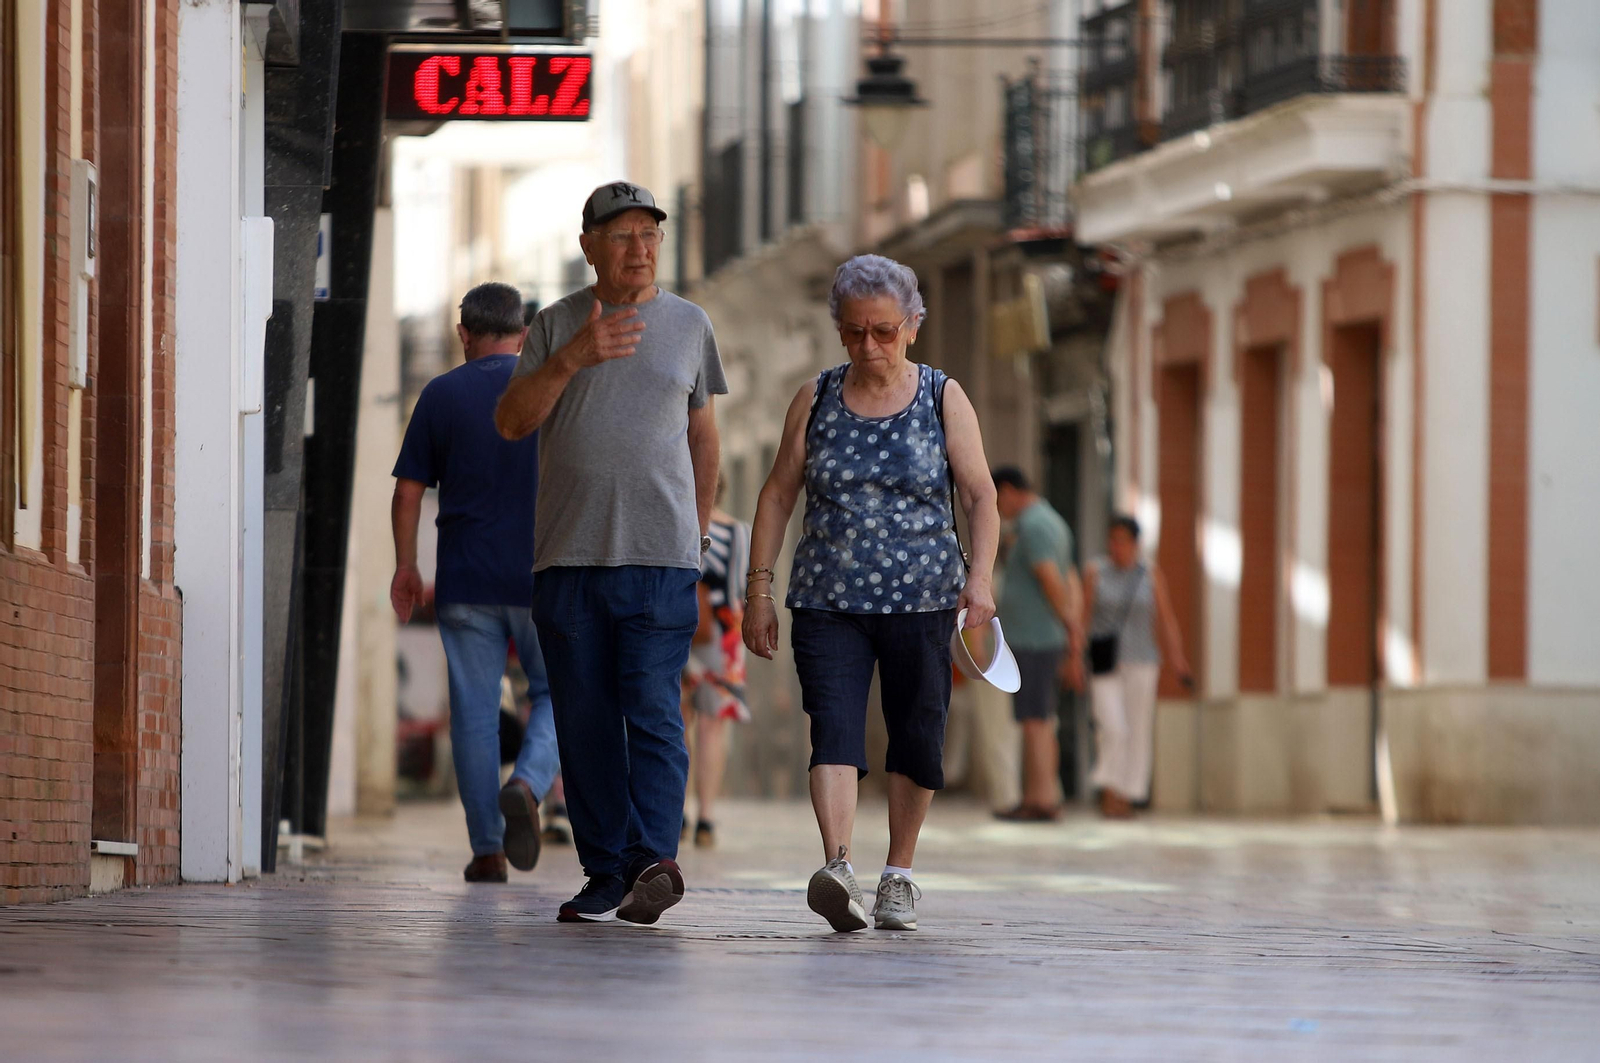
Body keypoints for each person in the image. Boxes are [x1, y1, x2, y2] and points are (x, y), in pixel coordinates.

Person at [744, 254, 1000, 933]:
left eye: (883, 331)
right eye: (854, 331)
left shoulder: (943, 397)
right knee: (832, 726)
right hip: (828, 600)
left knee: (916, 736)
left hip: (924, 599)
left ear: (912, 325)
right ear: (839, 329)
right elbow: (777, 494)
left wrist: (979, 579)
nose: (869, 346)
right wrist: (758, 590)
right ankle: (838, 866)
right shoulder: (816, 398)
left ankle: (899, 876)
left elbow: (979, 495)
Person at [494, 182, 726, 924]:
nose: (639, 248)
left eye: (649, 234)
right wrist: (572, 358)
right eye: (621, 235)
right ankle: (605, 870)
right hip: (567, 560)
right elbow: (511, 421)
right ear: (588, 245)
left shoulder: (690, 324)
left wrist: (697, 534)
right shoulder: (555, 325)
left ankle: (654, 861)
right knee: (585, 721)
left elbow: (704, 437)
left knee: (654, 708)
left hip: (661, 559)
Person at [390, 282, 560, 883]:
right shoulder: (551, 388)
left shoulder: (441, 394)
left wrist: (407, 565)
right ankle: (529, 784)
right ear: (525, 332)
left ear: (463, 334)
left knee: (474, 713)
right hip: (543, 574)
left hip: (465, 579)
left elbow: (408, 493)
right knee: (557, 694)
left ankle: (487, 850)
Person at [1081, 514, 1192, 818]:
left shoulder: (1150, 574)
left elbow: (1166, 619)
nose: (1116, 547)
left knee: (1137, 729)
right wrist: (1075, 655)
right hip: (1104, 661)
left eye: (1122, 541)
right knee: (1112, 726)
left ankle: (1127, 795)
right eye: (1112, 540)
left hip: (1143, 661)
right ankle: (1109, 789)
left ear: (1135, 544)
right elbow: (1084, 616)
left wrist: (1177, 658)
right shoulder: (1095, 572)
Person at [991, 466, 1085, 822]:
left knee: (1035, 719)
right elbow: (1067, 577)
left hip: (1034, 638)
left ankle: (1040, 799)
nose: (998, 508)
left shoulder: (1034, 526)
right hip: (1039, 637)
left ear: (1008, 490)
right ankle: (1041, 794)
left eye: (997, 498)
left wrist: (1071, 625)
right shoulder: (1050, 521)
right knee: (1040, 718)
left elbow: (1051, 579)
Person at [680, 474, 752, 848]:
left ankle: (677, 812)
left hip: (673, 631)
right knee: (713, 726)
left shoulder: (676, 524)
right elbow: (739, 589)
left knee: (675, 722)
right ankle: (706, 818)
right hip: (722, 637)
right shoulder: (737, 532)